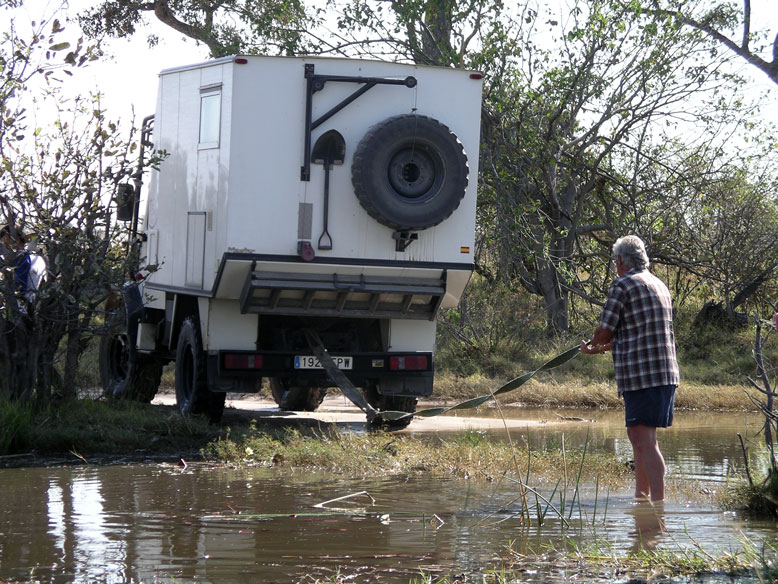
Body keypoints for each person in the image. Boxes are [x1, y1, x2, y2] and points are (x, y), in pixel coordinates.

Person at [580, 235, 679, 502]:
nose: (615, 265)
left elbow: (605, 330)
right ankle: (641, 496)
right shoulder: (659, 284)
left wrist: (593, 344)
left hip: (642, 375)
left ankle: (657, 504)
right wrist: (602, 347)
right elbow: (637, 333)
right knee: (639, 437)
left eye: (615, 260)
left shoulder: (623, 284)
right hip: (664, 373)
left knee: (643, 440)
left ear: (622, 260)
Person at [0, 225, 47, 302]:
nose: (5, 247)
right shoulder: (36, 257)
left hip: (22, 307)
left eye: (6, 243)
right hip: (37, 305)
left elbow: (18, 288)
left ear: (17, 241)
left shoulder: (22, 259)